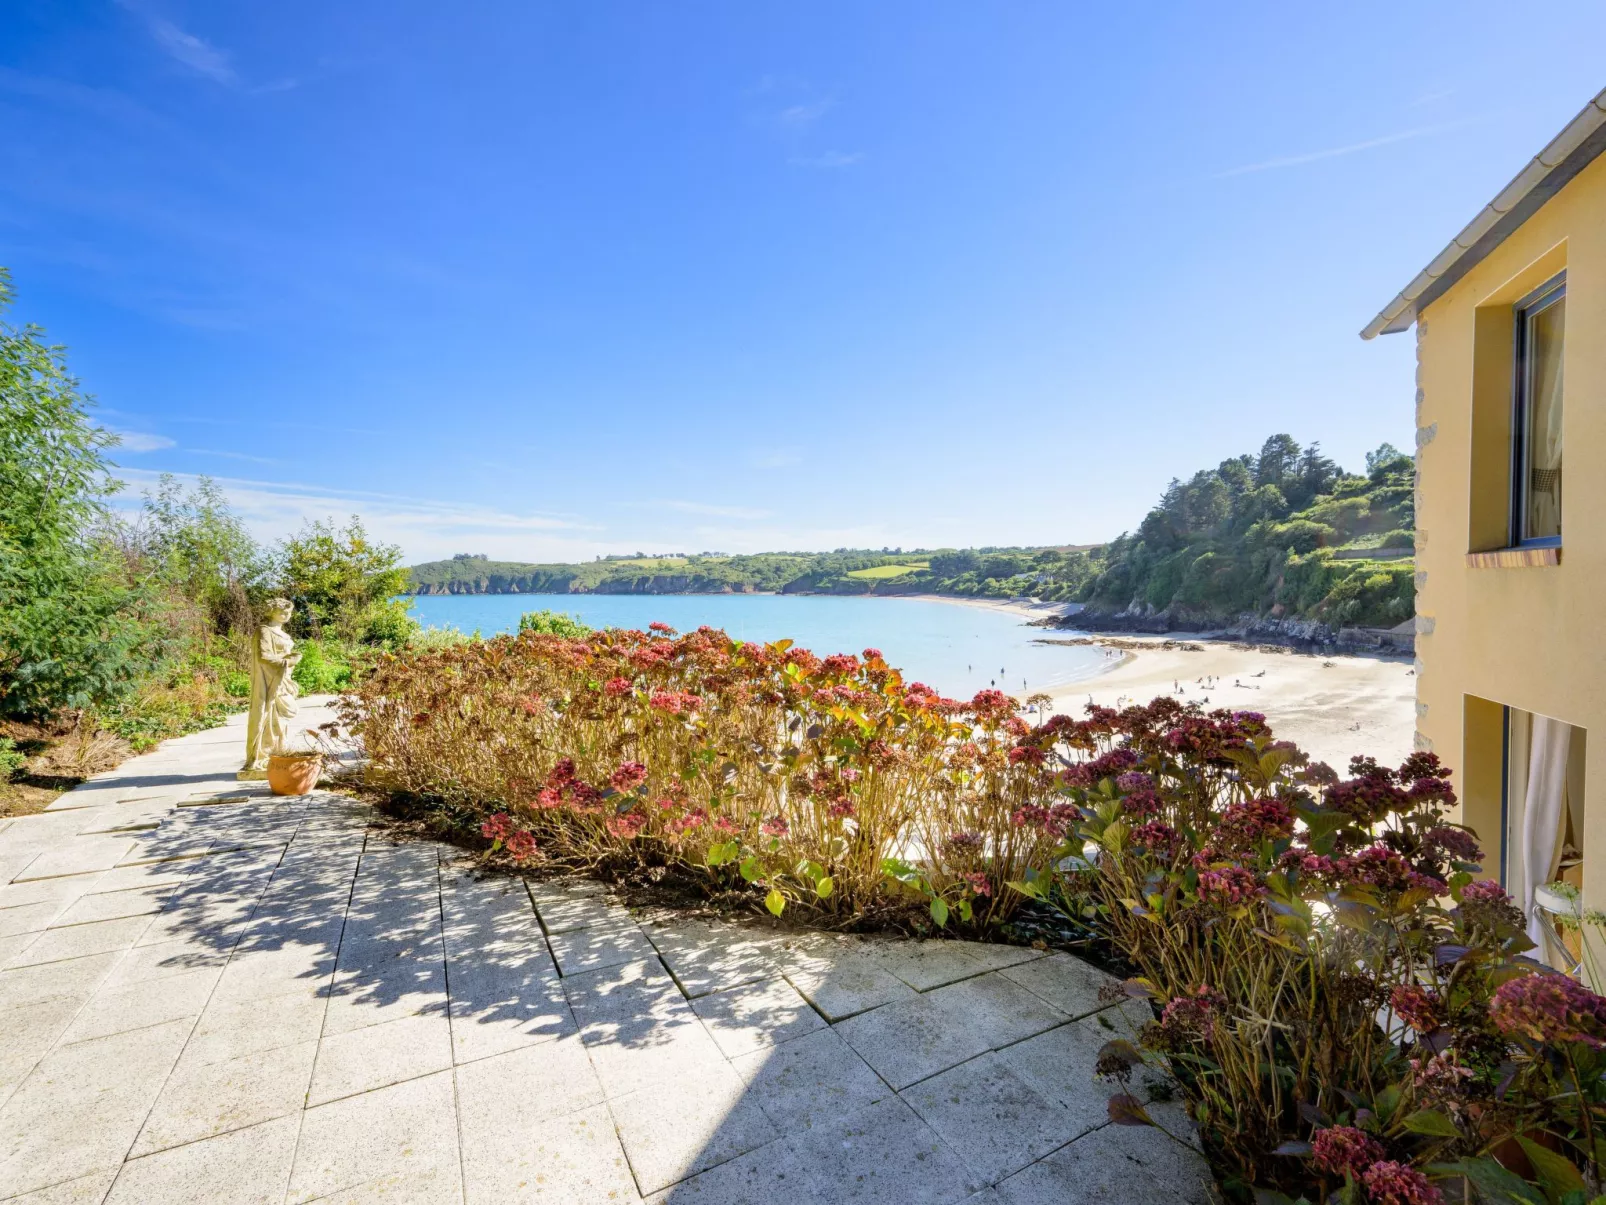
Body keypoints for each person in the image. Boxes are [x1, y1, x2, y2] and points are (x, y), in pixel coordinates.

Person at [242, 597, 302, 777]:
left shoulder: (283, 633)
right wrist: (288, 661)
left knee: (283, 715)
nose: (285, 615)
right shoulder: (264, 631)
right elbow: (264, 657)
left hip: (283, 678)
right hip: (270, 681)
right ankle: (266, 754)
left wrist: (291, 659)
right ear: (271, 612)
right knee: (273, 715)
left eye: (288, 612)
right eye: (281, 612)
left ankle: (278, 751)